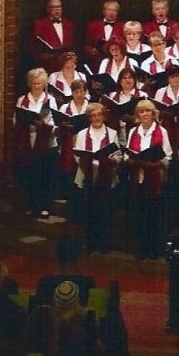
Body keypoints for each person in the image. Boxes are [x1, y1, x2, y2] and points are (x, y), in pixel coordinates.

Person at [124, 99, 172, 258]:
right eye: (141, 112)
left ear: (153, 113)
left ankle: (154, 249)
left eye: (147, 111)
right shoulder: (133, 131)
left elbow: (168, 156)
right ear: (137, 115)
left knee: (154, 215)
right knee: (140, 215)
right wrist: (131, 159)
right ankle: (141, 248)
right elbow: (127, 153)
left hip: (154, 178)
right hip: (138, 178)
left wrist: (155, 163)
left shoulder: (161, 131)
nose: (145, 114)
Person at [73, 103, 121, 253]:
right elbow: (77, 155)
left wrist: (111, 160)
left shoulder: (112, 133)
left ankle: (103, 243)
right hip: (87, 175)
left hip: (106, 176)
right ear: (89, 118)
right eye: (93, 115)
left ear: (104, 116)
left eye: (99, 115)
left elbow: (118, 155)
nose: (96, 118)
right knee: (89, 210)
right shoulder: (82, 134)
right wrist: (89, 161)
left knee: (104, 211)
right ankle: (90, 243)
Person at [12, 67, 58, 217]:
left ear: (44, 84)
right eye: (33, 83)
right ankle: (30, 205)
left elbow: (54, 121)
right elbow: (16, 120)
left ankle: (45, 206)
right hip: (27, 141)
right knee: (29, 174)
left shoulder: (50, 100)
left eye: (38, 83)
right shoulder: (22, 100)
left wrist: (43, 125)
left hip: (45, 142)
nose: (35, 86)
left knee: (44, 174)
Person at [30, 0, 76, 69]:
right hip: (49, 66)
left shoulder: (68, 23)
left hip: (66, 65)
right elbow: (34, 46)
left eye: (59, 7)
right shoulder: (40, 24)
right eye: (54, 7)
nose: (57, 9)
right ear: (48, 9)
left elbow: (72, 44)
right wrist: (45, 56)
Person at [84, 0, 125, 69]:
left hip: (116, 62)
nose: (111, 13)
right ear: (104, 11)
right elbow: (87, 44)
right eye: (109, 10)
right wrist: (92, 51)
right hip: (97, 62)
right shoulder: (93, 25)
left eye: (114, 10)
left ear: (117, 13)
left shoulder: (123, 26)